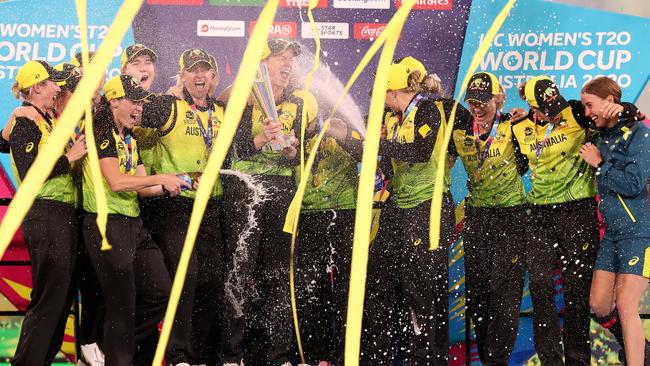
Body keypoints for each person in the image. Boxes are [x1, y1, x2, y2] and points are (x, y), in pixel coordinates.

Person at [512, 75, 638, 365]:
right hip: (540, 217)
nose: (554, 110)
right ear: (532, 106)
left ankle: (578, 361)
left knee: (577, 295)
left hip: (577, 213)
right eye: (546, 107)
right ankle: (551, 361)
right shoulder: (519, 127)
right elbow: (519, 165)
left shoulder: (576, 111)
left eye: (554, 103)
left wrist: (619, 109)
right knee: (541, 291)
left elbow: (629, 115)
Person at [363, 61, 468, 365]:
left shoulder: (427, 111)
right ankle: (379, 354)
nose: (380, 98)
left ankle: (430, 358)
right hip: (400, 207)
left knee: (425, 287)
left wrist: (382, 144)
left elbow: (421, 152)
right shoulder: (392, 117)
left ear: (394, 90)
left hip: (429, 208)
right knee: (382, 279)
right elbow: (388, 161)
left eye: (383, 92)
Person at [220, 38, 316, 366]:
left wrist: (290, 150)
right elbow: (237, 146)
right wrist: (263, 137)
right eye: (280, 57)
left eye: (291, 58)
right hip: (244, 189)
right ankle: (232, 355)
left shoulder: (298, 103)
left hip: (281, 190)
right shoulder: (243, 95)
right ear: (263, 63)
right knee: (239, 270)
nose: (287, 63)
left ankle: (277, 356)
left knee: (279, 274)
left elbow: (299, 153)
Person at [81, 74, 188, 365]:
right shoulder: (101, 128)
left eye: (142, 101)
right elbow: (116, 182)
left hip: (133, 224)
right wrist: (162, 177)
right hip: (106, 225)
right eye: (134, 101)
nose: (140, 108)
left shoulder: (130, 136)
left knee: (161, 293)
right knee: (121, 305)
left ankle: (104, 344)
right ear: (114, 101)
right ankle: (112, 352)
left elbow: (144, 186)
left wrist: (176, 183)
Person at [137, 47, 226, 365]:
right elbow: (131, 117)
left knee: (212, 278)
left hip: (211, 207)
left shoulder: (221, 111)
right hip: (172, 206)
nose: (199, 75)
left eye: (205, 70)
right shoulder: (166, 106)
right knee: (185, 275)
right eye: (193, 70)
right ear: (183, 76)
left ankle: (194, 353)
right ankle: (173, 355)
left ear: (214, 77)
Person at [8, 60, 86, 366]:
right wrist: (70, 158)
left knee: (61, 295)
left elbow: (2, 142)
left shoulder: (40, 118)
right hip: (45, 212)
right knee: (49, 297)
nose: (59, 88)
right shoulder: (26, 121)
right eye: (54, 82)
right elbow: (30, 172)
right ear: (38, 87)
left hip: (60, 213)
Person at [451, 72, 527, 364]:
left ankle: (497, 361)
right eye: (473, 102)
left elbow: (524, 164)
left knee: (504, 292)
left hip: (511, 215)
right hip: (478, 216)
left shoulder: (513, 125)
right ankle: (487, 358)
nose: (478, 107)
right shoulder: (460, 131)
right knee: (479, 293)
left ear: (498, 98)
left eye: (484, 101)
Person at [579, 76, 649, 366]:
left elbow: (634, 184)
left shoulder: (638, 133)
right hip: (611, 235)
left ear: (609, 101)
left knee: (625, 304)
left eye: (590, 105)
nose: (586, 113)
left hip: (641, 232)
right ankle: (641, 349)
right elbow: (567, 111)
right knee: (598, 304)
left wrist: (600, 164)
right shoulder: (598, 136)